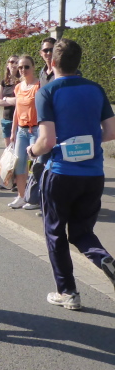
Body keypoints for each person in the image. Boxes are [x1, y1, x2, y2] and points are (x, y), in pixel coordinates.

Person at [27, 39, 115, 310]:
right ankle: (104, 259)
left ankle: (67, 292)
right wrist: (88, 141)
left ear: (52, 62)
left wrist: (31, 150)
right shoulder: (96, 89)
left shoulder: (47, 91)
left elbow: (47, 141)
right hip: (93, 174)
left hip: (60, 173)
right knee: (81, 232)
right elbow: (111, 132)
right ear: (78, 63)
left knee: (55, 233)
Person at [8, 55, 40, 210]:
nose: (23, 70)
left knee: (34, 165)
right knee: (19, 164)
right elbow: (17, 110)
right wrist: (13, 131)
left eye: (26, 67)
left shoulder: (39, 86)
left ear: (33, 67)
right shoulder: (18, 87)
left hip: (36, 130)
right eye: (20, 67)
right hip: (21, 130)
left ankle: (34, 198)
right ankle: (21, 196)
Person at [0, 55, 19, 149]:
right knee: (9, 149)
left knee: (18, 149)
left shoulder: (21, 81)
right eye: (12, 62)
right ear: (7, 65)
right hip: (6, 119)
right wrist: (11, 100)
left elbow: (20, 100)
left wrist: (5, 99)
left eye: (16, 62)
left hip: (19, 119)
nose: (14, 64)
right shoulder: (4, 82)